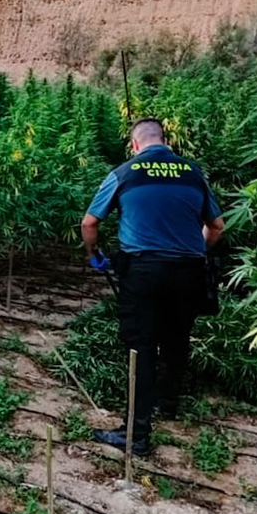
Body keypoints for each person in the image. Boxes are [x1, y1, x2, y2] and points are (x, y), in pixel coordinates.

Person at [80, 118, 225, 455]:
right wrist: (194, 252)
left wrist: (95, 255)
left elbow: (90, 223)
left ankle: (138, 435)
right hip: (189, 271)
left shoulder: (125, 173)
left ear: (135, 144)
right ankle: (168, 402)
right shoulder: (193, 173)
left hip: (143, 270)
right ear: (166, 140)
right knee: (177, 338)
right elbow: (217, 227)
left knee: (141, 346)